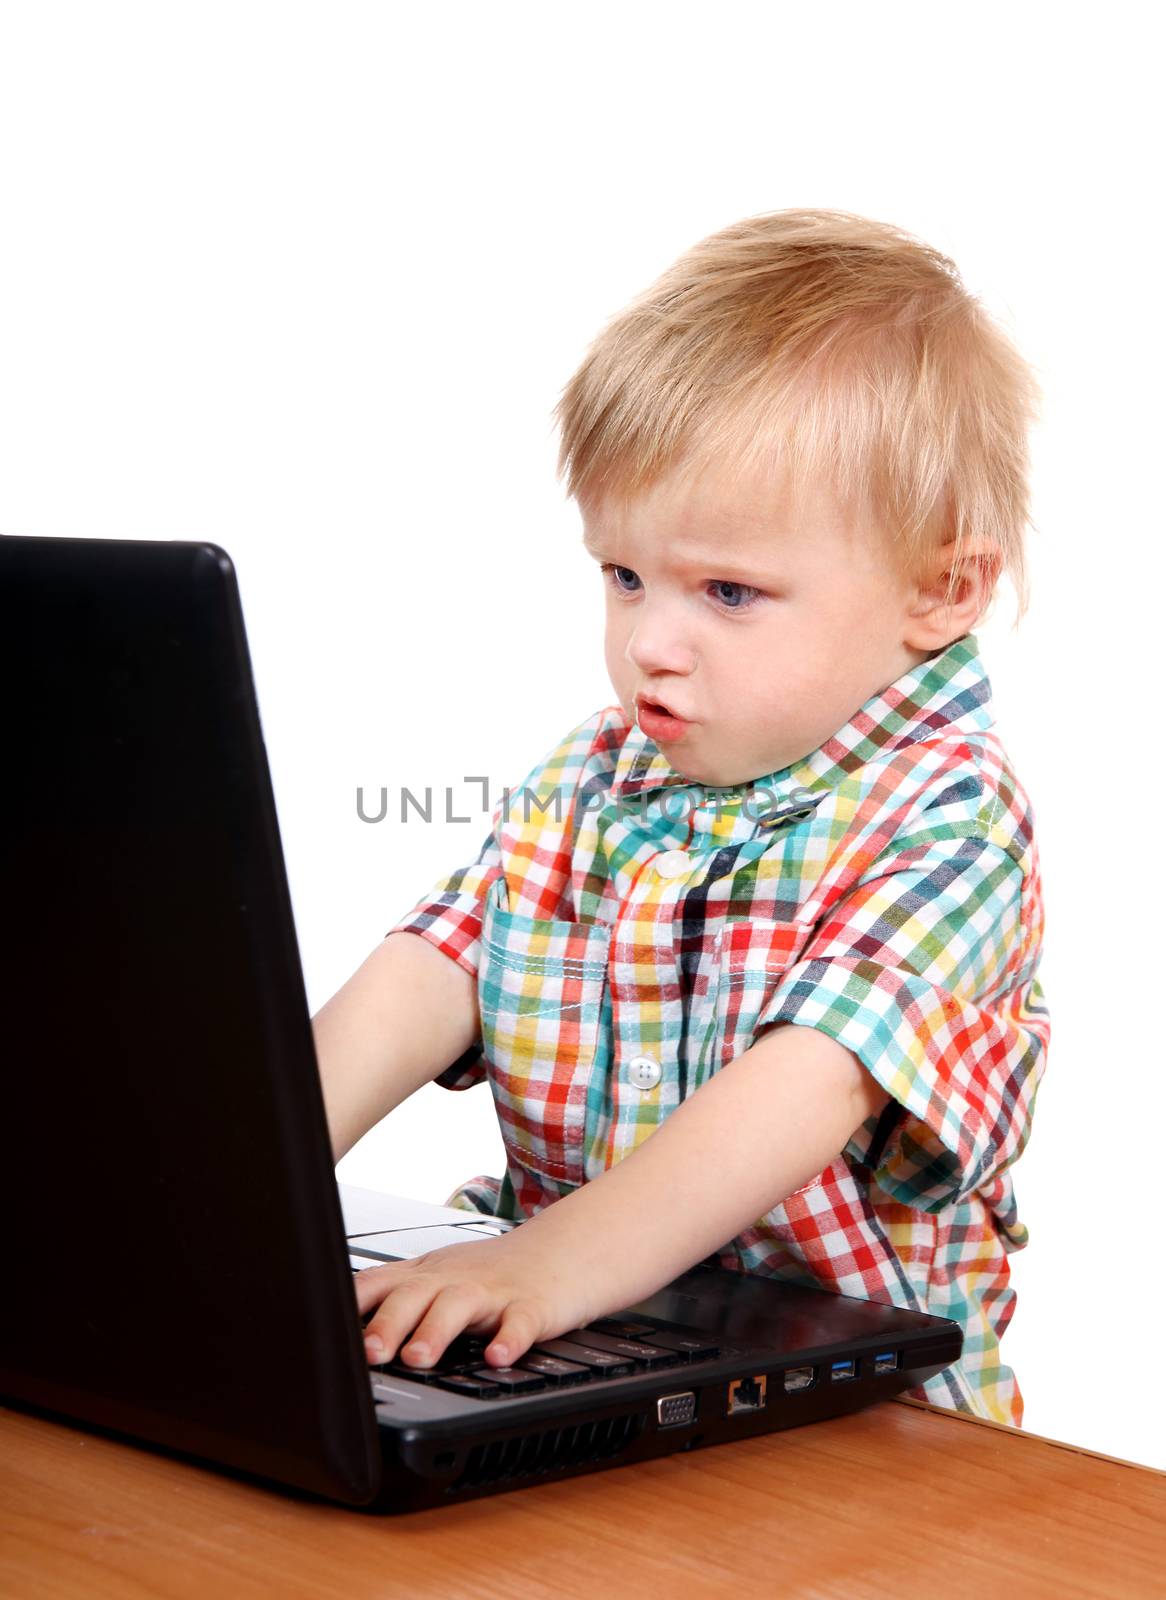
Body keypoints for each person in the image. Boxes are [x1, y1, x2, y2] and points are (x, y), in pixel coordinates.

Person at [312, 208, 1051, 1426]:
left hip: (862, 1428)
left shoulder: (948, 818)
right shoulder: (592, 779)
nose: (650, 642)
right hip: (595, 1356)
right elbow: (427, 975)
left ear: (939, 589)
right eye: (623, 576)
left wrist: (539, 1264)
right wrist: (239, 1184)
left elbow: (799, 1088)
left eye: (727, 591)